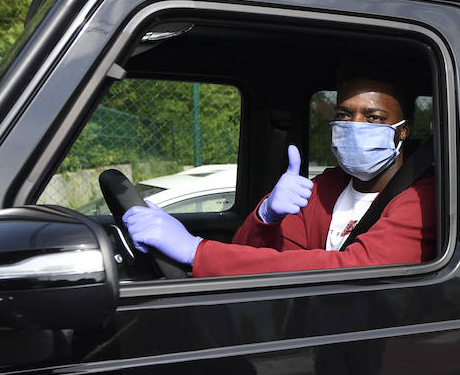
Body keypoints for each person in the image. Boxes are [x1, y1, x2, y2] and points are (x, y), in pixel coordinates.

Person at [124, 70, 436, 276]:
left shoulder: (422, 199)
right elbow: (255, 258)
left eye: (373, 118)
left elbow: (354, 270)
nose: (354, 126)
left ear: (403, 131)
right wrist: (266, 216)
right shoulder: (323, 189)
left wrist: (197, 251)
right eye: (343, 115)